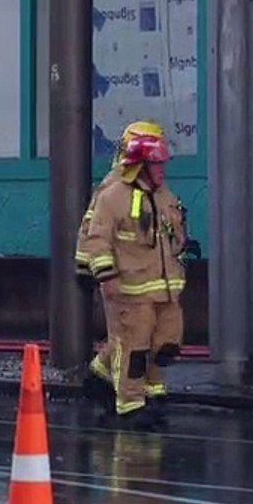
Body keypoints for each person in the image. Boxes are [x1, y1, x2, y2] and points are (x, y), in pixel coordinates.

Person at [77, 132, 189, 428]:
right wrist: (105, 275)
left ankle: (103, 375)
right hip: (129, 288)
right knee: (133, 347)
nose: (162, 170)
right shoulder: (112, 197)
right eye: (157, 164)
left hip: (165, 289)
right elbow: (96, 240)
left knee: (165, 343)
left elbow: (172, 237)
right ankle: (130, 406)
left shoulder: (165, 196)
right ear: (140, 165)